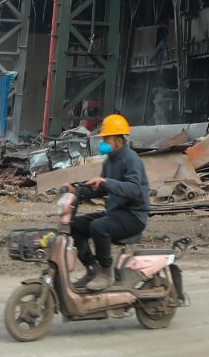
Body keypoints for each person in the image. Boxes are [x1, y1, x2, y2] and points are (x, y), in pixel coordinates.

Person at [70, 113, 149, 290]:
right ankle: (92, 268)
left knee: (99, 227)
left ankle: (106, 272)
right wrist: (78, 191)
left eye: (107, 138)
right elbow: (102, 188)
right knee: (75, 225)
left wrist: (106, 182)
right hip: (115, 213)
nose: (103, 142)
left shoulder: (131, 159)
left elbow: (135, 190)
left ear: (119, 140)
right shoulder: (110, 161)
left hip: (133, 216)